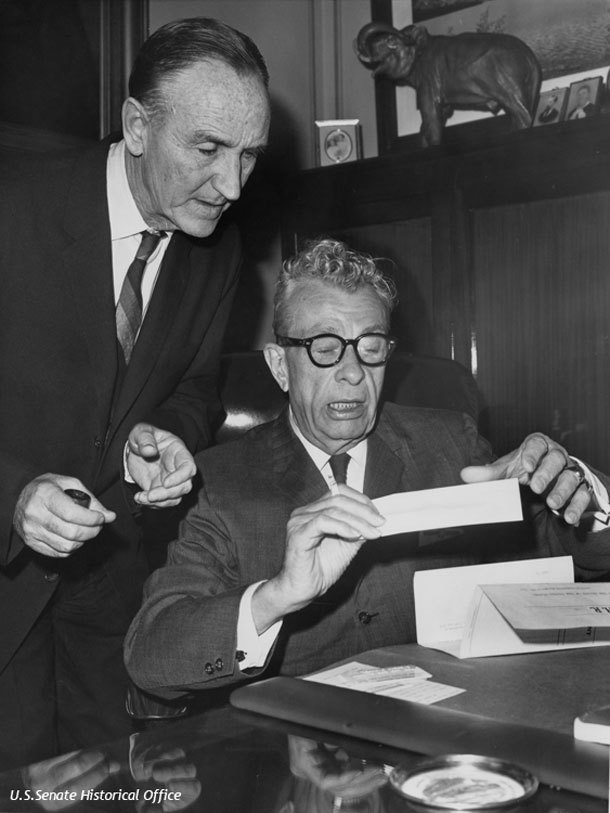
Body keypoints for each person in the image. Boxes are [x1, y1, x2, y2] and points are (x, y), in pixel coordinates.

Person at [124, 239, 610, 699]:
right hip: (301, 751)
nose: (353, 373)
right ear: (278, 366)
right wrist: (277, 596)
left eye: (370, 346)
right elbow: (151, 655)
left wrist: (582, 494)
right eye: (325, 347)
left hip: (440, 729)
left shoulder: (449, 444)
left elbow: (572, 556)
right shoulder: (220, 481)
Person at [0, 17, 270, 769]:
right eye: (209, 149)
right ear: (137, 126)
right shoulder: (12, 208)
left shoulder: (218, 250)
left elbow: (195, 386)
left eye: (249, 155)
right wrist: (12, 496)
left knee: (117, 785)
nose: (233, 185)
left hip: (110, 594)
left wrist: (172, 435)